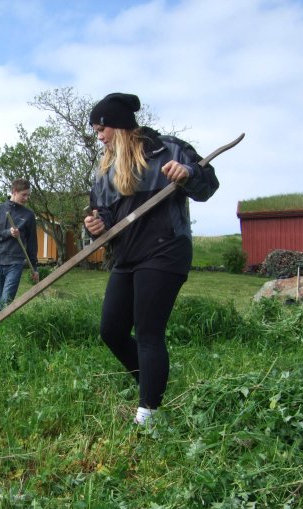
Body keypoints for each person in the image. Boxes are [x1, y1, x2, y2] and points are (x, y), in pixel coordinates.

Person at [83, 93, 219, 426]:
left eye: (102, 128)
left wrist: (187, 173)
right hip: (127, 254)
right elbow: (102, 217)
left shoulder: (169, 150)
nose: (99, 136)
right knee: (111, 330)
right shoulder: (104, 171)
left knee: (148, 331)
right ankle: (153, 384)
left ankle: (149, 413)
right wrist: (95, 226)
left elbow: (209, 185)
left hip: (165, 249)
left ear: (119, 125)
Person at [0, 178, 39, 310]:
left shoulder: (28, 215)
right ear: (14, 192)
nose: (26, 198)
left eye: (28, 195)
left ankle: (0, 327)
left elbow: (32, 243)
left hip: (15, 262)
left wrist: (34, 267)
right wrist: (8, 233)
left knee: (6, 301)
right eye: (24, 195)